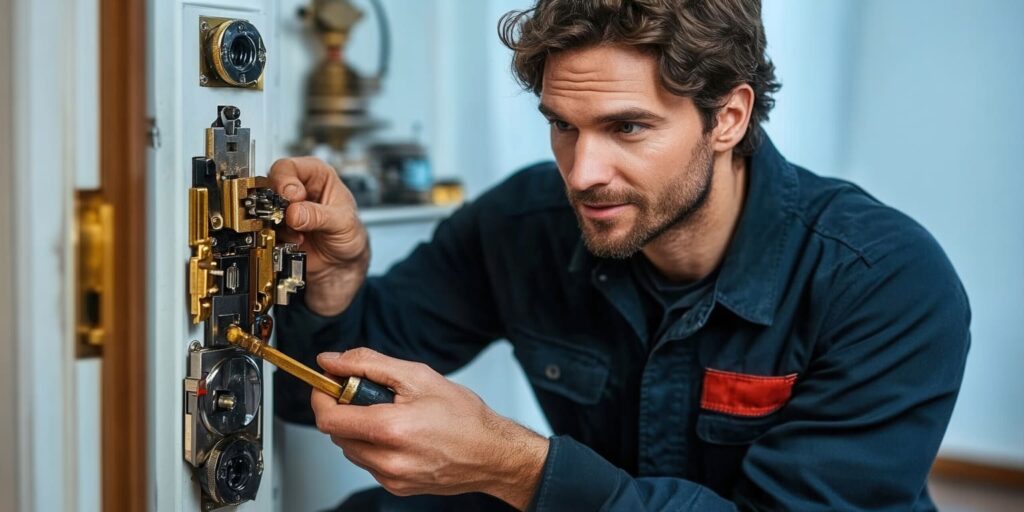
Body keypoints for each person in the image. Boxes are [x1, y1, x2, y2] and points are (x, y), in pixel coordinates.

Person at [270, 0, 970, 509]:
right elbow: (309, 399)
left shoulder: (886, 283)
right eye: (563, 127)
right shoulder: (522, 224)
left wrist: (515, 465)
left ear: (728, 117)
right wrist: (333, 282)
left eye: (627, 127)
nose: (581, 173)